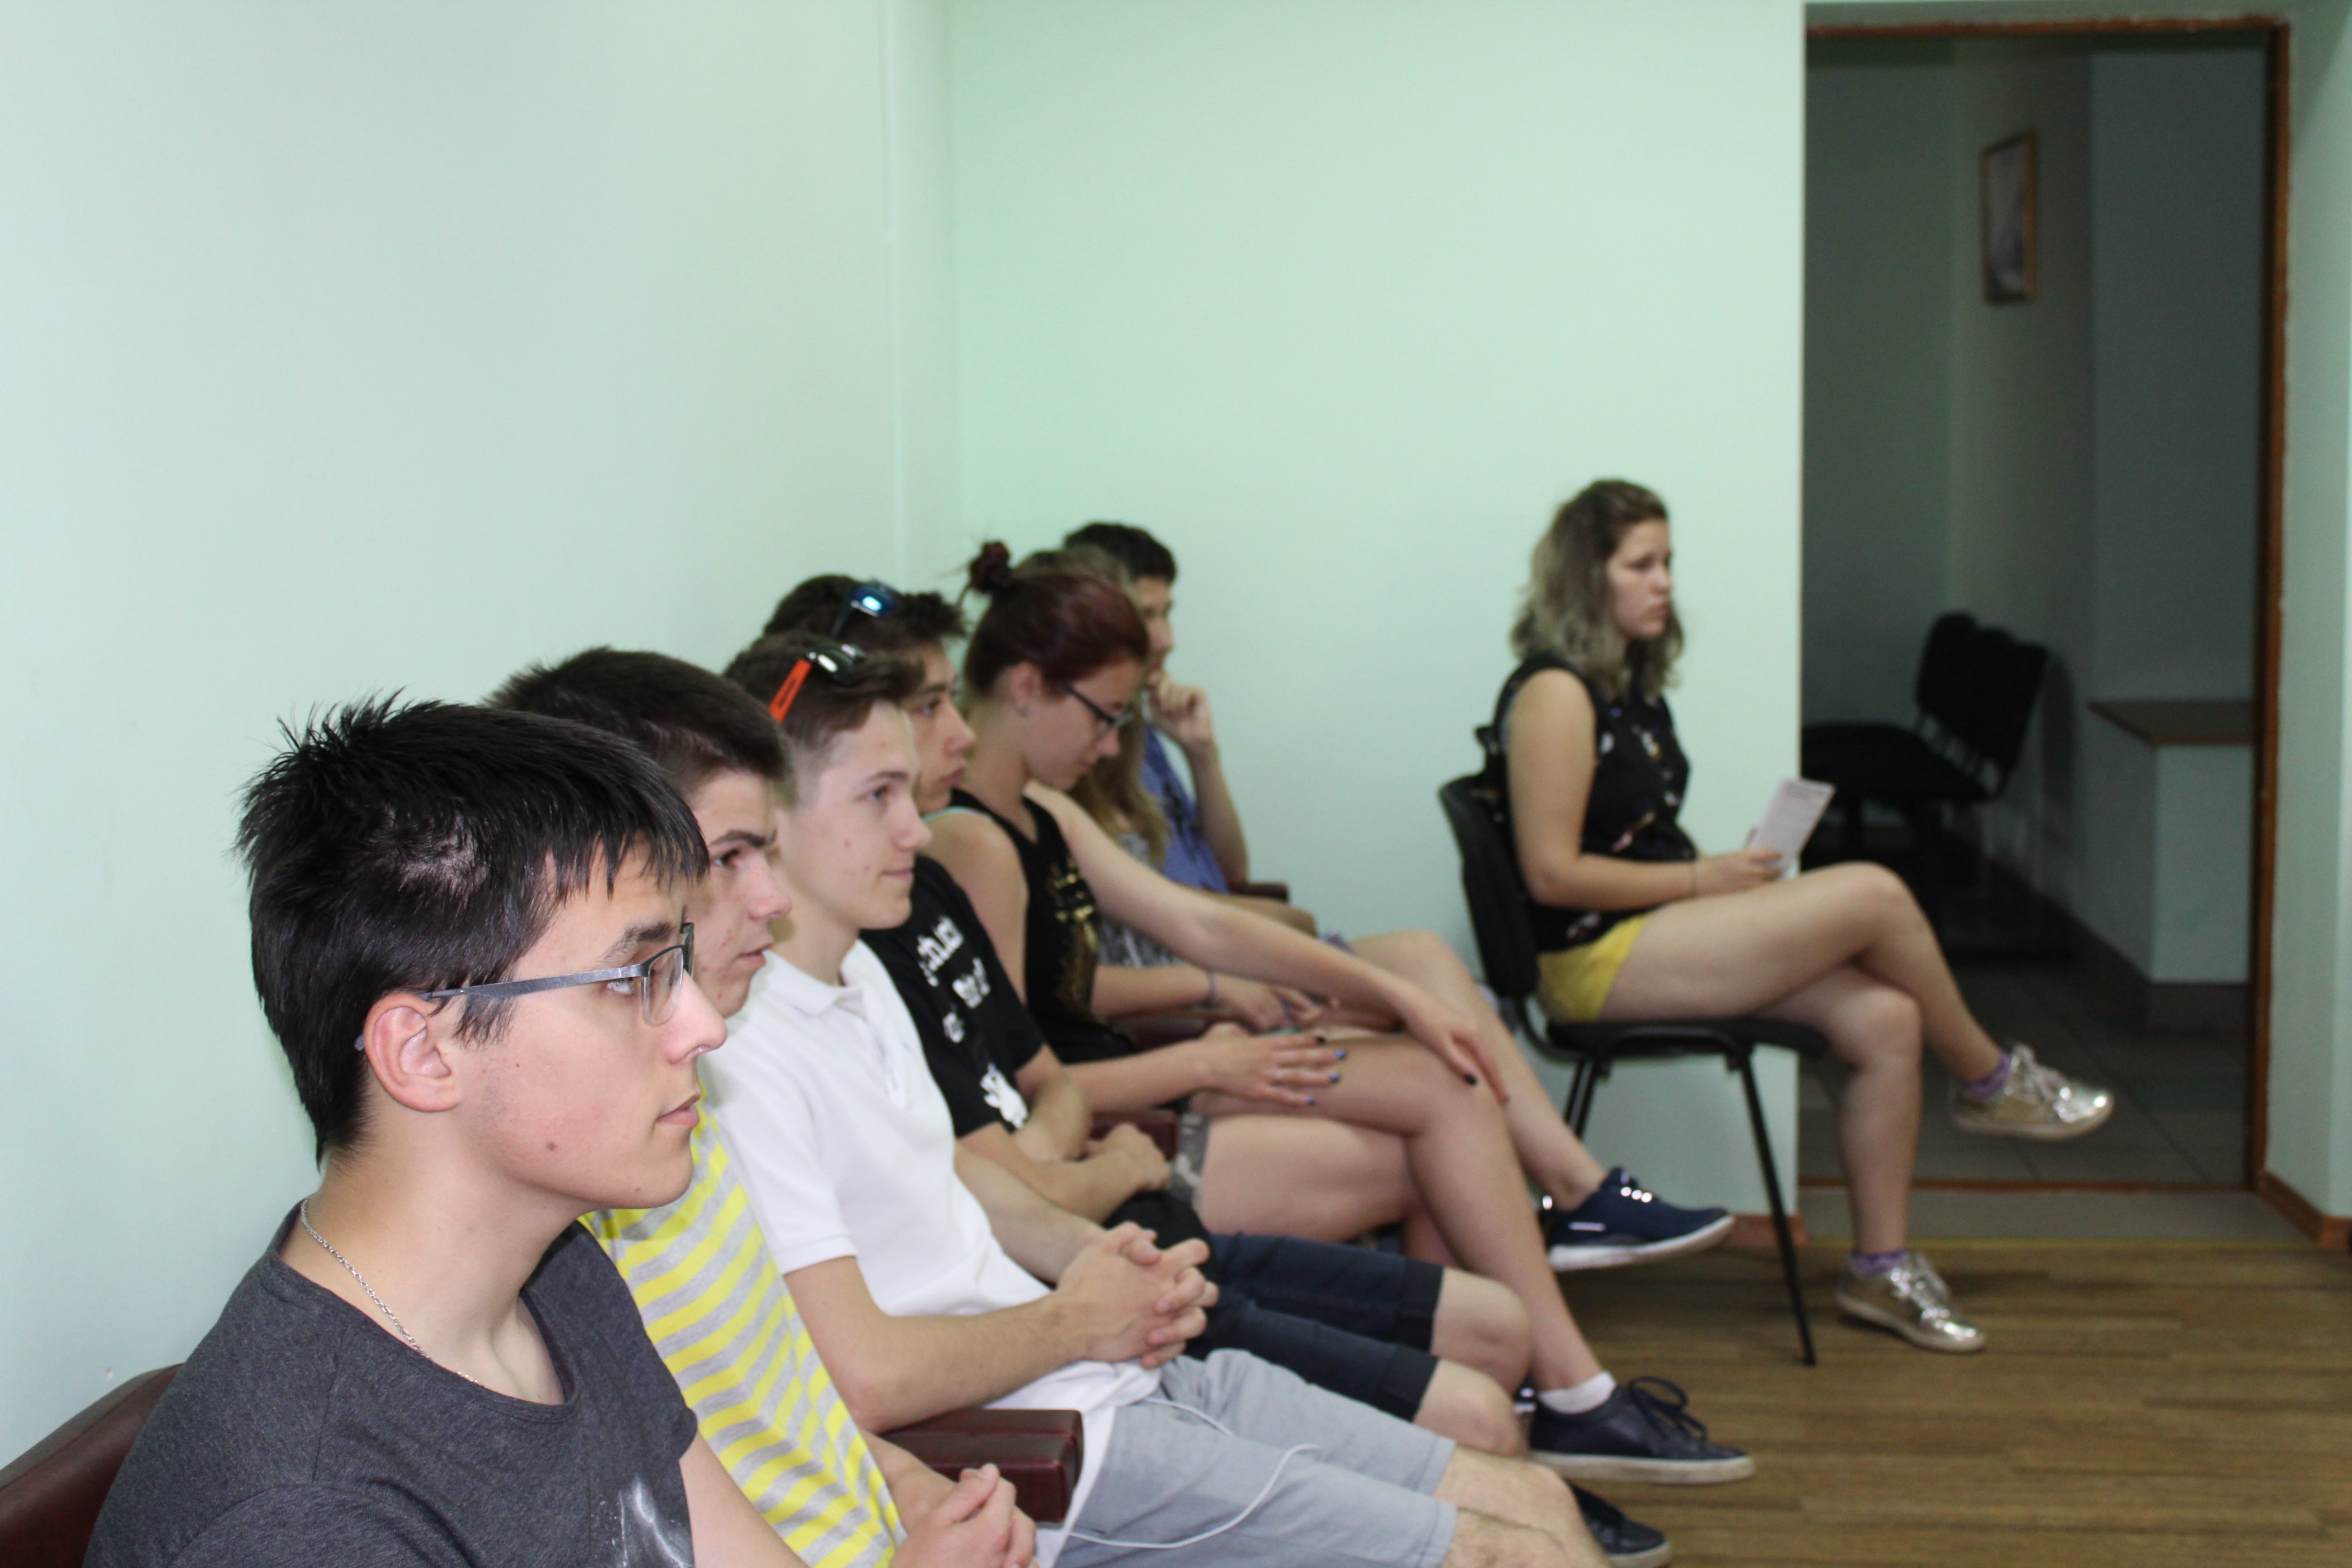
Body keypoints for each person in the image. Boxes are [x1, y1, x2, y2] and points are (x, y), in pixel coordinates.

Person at [764, 577, 1670, 1566]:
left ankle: (1570, 1332)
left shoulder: (865, 963)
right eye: (880, 795)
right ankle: (1574, 1312)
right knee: (1511, 1513)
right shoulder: (771, 1028)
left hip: (1111, 1344)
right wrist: (1093, 1268)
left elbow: (986, 1151)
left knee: (1540, 1506)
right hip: (1058, 1422)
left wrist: (1099, 1257)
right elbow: (875, 1363)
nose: (914, 823)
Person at [87, 698, 1022, 1568]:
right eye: (634, 978)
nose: (703, 1026)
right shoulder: (305, 1517)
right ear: (423, 1052)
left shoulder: (554, 1273)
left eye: (679, 963)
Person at [922, 547, 1752, 1485]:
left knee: (1444, 1090)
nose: (1115, 746)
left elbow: (1202, 920)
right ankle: (1541, 1411)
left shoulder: (1041, 809)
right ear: (1027, 689)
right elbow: (1027, 1086)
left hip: (1152, 1086)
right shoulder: (972, 846)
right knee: (1443, 1115)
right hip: (1132, 1123)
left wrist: (1391, 992)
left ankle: (1521, 1422)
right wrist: (1209, 1056)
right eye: (1106, 716)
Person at [1493, 479, 2118, 1353]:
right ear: (1585, 577)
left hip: (1649, 933)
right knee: (1875, 893)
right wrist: (1703, 882)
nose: (1664, 582)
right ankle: (1990, 1081)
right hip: (1588, 963)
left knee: (1887, 1018)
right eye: (1641, 565)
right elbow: (1551, 874)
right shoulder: (1557, 694)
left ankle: (1879, 1270)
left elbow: (1628, 839)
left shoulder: (1626, 686)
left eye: (1667, 562)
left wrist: (1720, 880)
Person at [496, 647, 1037, 1568]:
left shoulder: (686, 1102)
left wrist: (905, 1484)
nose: (774, 901)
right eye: (730, 857)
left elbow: (779, 1411)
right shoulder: (562, 1214)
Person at [1056, 526, 1710, 1278]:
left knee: (1438, 986)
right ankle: (1565, 1211)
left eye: (1167, 614)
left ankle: (1558, 1220)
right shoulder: (1076, 766)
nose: (1167, 638)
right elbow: (1171, 929)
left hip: (1227, 959)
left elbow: (1229, 873)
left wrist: (1202, 753)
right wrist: (1233, 967)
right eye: (1148, 615)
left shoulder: (1140, 738)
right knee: (1447, 1046)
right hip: (1195, 997)